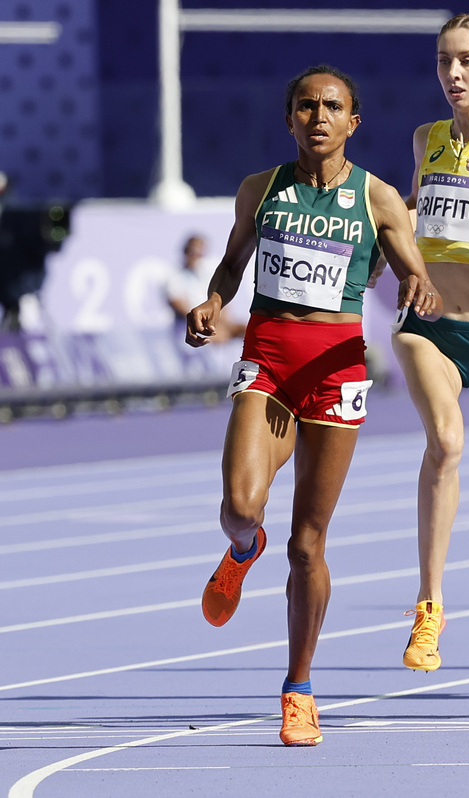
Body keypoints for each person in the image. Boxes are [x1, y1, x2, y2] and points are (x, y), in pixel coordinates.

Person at [185, 65, 440, 746]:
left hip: (334, 370)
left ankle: (298, 688)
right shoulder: (260, 189)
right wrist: (213, 301)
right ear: (290, 118)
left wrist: (421, 287)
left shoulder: (377, 197)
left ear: (353, 123)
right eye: (306, 105)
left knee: (307, 545)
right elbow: (233, 264)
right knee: (242, 505)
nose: (318, 116)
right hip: (267, 360)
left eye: (332, 106)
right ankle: (242, 550)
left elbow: (412, 268)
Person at [393, 13, 469, 673]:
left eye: (465, 61)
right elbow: (415, 207)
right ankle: (429, 609)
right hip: (430, 326)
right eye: (442, 61)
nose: (452, 74)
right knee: (447, 444)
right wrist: (390, 229)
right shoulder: (427, 138)